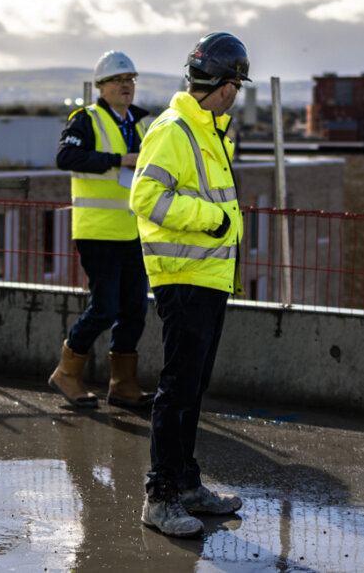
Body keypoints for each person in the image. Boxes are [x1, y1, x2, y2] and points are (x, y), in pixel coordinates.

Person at [129, 32, 251, 538]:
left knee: (192, 387)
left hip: (208, 274)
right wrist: (214, 222)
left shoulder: (208, 128)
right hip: (185, 275)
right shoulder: (175, 129)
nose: (236, 95)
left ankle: (185, 484)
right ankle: (159, 497)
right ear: (224, 86)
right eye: (237, 86)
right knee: (177, 388)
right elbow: (145, 197)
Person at [48, 50, 154, 409]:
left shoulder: (140, 125)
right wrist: (118, 160)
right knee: (105, 308)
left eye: (131, 80)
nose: (127, 86)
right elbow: (66, 157)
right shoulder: (86, 119)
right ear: (101, 87)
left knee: (135, 310)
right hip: (97, 232)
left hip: (133, 232)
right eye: (119, 80)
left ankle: (123, 385)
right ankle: (66, 372)